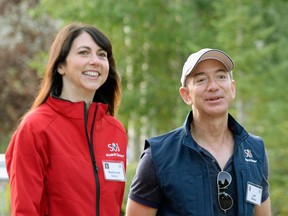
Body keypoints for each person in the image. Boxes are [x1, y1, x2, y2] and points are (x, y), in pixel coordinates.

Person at [126, 48, 271, 216]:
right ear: (186, 95)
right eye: (201, 80)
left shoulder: (255, 150)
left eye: (221, 77)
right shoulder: (158, 155)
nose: (213, 86)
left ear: (232, 88)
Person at [5, 22, 128, 216]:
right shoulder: (36, 127)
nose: (95, 60)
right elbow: (25, 210)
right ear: (61, 65)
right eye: (84, 52)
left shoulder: (116, 131)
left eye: (102, 54)